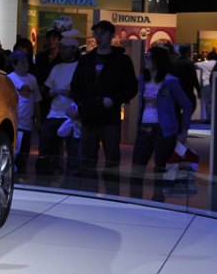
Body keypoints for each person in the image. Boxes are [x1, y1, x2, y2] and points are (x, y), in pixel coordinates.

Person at [71, 20, 139, 178]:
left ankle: (112, 195)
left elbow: (131, 88)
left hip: (110, 117)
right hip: (88, 116)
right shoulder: (86, 60)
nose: (98, 37)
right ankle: (88, 195)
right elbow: (75, 86)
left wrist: (114, 100)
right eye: (96, 33)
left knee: (112, 160)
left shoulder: (122, 61)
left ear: (111, 35)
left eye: (102, 33)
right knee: (87, 160)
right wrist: (81, 104)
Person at [131, 46, 192, 202]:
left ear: (159, 60)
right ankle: (134, 201)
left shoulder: (170, 81)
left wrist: (184, 131)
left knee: (160, 169)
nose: (146, 60)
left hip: (163, 131)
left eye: (149, 57)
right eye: (146, 56)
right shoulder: (142, 80)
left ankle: (158, 202)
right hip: (144, 129)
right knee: (137, 168)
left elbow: (186, 105)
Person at [37, 37, 81, 175]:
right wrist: (51, 92)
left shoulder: (80, 67)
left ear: (74, 49)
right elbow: (47, 89)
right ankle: (45, 177)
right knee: (45, 146)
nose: (61, 50)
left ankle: (72, 181)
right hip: (54, 113)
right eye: (60, 47)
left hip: (72, 115)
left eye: (65, 47)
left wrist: (72, 93)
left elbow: (84, 90)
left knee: (73, 151)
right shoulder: (56, 67)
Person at [7, 49, 41, 175]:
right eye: (21, 62)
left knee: (24, 152)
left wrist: (38, 120)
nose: (25, 64)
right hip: (16, 121)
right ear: (14, 64)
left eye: (26, 62)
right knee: (14, 151)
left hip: (28, 122)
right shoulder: (9, 78)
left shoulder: (32, 79)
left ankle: (22, 174)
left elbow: (36, 100)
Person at [170, 45, 201, 123]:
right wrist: (198, 90)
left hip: (176, 88)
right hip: (187, 89)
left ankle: (179, 121)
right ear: (188, 52)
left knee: (177, 107)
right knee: (191, 105)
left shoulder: (174, 62)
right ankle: (182, 121)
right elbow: (194, 78)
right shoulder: (189, 63)